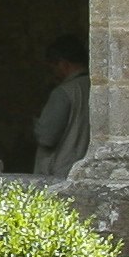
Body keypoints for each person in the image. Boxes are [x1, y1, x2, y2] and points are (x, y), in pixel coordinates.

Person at [33, 38, 91, 177]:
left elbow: (47, 137)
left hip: (62, 169)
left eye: (52, 67)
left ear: (63, 64)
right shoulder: (94, 88)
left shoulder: (63, 93)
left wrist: (36, 123)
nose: (52, 73)